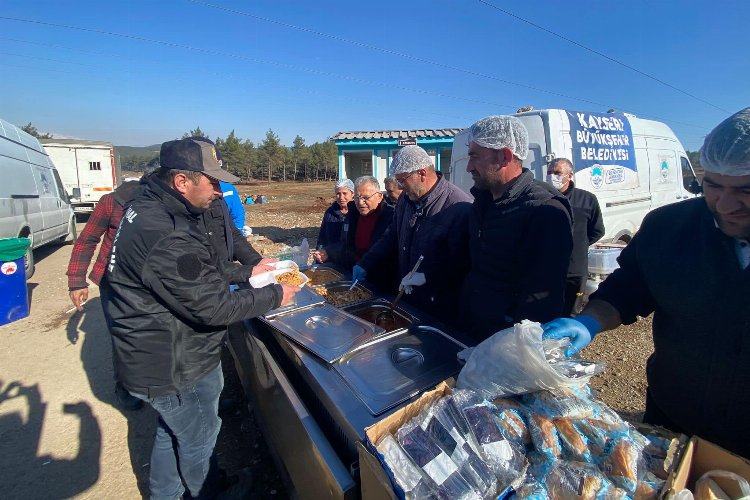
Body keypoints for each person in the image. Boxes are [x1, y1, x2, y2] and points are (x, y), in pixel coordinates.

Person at [543, 107, 750, 458]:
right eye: (713, 186)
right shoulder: (669, 228)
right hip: (673, 418)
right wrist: (589, 321)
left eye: (745, 189)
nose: (726, 204)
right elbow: (630, 288)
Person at [101, 137, 300, 499]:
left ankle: (165, 495)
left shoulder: (152, 208)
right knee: (199, 438)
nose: (218, 191)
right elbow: (214, 307)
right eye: (212, 182)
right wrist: (275, 293)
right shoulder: (165, 232)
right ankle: (212, 492)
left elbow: (198, 270)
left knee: (171, 430)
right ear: (182, 181)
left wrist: (246, 273)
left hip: (157, 352)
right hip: (174, 362)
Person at [460, 115, 573, 342]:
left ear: (505, 156)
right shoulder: (483, 201)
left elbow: (542, 298)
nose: (468, 167)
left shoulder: (544, 209)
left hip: (506, 342)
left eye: (474, 156)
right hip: (475, 330)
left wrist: (514, 351)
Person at [354, 145, 472, 324]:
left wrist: (428, 276)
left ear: (422, 174)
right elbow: (391, 236)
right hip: (407, 300)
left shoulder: (459, 207)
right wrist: (366, 262)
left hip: (438, 308)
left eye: (403, 180)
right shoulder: (406, 199)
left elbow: (463, 265)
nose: (400, 187)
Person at [66, 180, 144, 411]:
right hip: (113, 280)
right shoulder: (112, 201)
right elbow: (87, 239)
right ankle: (126, 388)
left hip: (146, 280)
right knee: (123, 337)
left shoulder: (164, 201)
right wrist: (76, 280)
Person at [313, 176, 397, 289]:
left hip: (381, 280)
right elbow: (346, 245)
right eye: (357, 198)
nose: (360, 202)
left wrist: (366, 265)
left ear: (379, 196)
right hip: (354, 275)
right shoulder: (352, 215)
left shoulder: (391, 217)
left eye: (366, 197)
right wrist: (328, 252)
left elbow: (388, 249)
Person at [547, 157, 605, 315]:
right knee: (547, 312)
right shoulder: (541, 198)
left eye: (557, 172)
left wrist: (578, 244)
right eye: (549, 172)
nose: (552, 176)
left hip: (575, 270)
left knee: (571, 312)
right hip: (547, 269)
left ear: (569, 175)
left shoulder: (586, 199)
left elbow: (597, 230)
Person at [316, 179, 355, 249]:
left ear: (353, 194)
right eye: (338, 194)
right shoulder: (330, 213)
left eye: (344, 193)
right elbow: (322, 238)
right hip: (332, 256)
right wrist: (320, 252)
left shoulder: (357, 213)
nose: (341, 197)